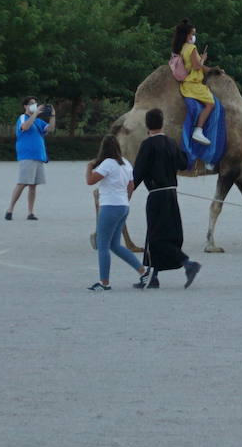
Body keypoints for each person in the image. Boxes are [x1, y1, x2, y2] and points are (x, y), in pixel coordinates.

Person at [129, 108, 202, 289]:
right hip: (172, 194)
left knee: (155, 236)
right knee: (169, 233)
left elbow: (138, 173)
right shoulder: (170, 143)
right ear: (162, 124)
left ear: (147, 125)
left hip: (157, 195)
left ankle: (187, 263)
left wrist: (127, 193)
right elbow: (183, 164)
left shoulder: (148, 145)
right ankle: (153, 277)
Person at [85, 134, 148, 290]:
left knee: (103, 245)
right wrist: (125, 200)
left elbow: (90, 181)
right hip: (123, 206)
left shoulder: (107, 163)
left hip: (109, 206)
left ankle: (104, 282)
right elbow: (131, 186)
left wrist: (89, 167)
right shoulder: (125, 163)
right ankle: (143, 270)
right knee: (115, 245)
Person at [5, 96, 51, 220]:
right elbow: (24, 127)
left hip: (38, 157)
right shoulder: (23, 117)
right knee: (23, 182)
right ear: (25, 106)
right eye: (31, 104)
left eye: (35, 103)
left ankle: (30, 212)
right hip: (27, 156)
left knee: (33, 185)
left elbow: (50, 129)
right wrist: (35, 114)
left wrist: (53, 116)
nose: (34, 105)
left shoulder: (39, 121)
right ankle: (10, 210)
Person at [173, 20, 214, 146]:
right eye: (192, 34)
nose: (193, 36)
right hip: (193, 84)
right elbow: (197, 67)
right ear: (187, 35)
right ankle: (199, 129)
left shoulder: (182, 48)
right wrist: (203, 59)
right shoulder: (191, 48)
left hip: (186, 84)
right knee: (210, 104)